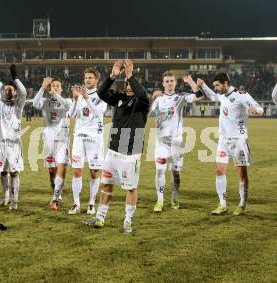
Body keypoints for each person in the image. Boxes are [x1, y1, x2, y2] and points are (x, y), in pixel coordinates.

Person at [84, 59, 150, 234]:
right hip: (113, 150)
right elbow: (101, 92)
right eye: (127, 84)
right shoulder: (119, 98)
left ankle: (127, 221)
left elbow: (142, 94)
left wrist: (130, 75)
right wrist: (113, 75)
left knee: (130, 188)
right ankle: (100, 218)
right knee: (106, 184)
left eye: (131, 84)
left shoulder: (142, 102)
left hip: (130, 151)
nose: (129, 87)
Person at [198, 73, 263, 215]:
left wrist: (256, 111)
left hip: (238, 140)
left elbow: (259, 108)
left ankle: (242, 204)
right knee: (219, 171)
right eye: (214, 86)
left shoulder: (241, 95)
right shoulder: (222, 95)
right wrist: (203, 85)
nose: (215, 88)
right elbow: (213, 96)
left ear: (225, 83)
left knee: (241, 174)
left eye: (217, 85)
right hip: (223, 140)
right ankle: (222, 204)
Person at [150, 72, 204, 212]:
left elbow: (200, 96)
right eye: (166, 81)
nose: (169, 83)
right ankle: (160, 201)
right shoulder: (158, 100)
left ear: (175, 83)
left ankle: (174, 200)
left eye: (171, 81)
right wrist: (151, 98)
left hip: (176, 142)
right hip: (161, 141)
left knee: (175, 173)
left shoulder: (181, 97)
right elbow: (148, 113)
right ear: (163, 84)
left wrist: (191, 82)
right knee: (160, 171)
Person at [68, 68, 107, 215]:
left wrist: (86, 98)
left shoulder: (102, 95)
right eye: (86, 77)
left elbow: (98, 113)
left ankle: (91, 203)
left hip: (95, 138)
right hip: (79, 136)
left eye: (90, 77)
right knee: (77, 170)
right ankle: (76, 203)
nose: (87, 80)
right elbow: (71, 114)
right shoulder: (79, 96)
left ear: (96, 80)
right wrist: (74, 98)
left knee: (94, 171)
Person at [0, 65, 27, 210]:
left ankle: (15, 200)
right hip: (1, 144)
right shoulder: (0, 104)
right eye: (5, 90)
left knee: (14, 172)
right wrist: (1, 81)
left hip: (14, 144)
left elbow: (23, 92)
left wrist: (15, 78)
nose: (7, 91)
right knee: (3, 172)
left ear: (15, 92)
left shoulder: (19, 105)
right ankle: (5, 197)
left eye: (10, 89)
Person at [33, 77, 72, 210]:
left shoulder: (66, 101)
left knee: (61, 167)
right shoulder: (44, 101)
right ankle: (56, 192)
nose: (55, 87)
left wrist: (56, 95)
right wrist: (42, 88)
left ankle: (55, 197)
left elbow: (67, 107)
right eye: (53, 86)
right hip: (48, 139)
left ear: (61, 89)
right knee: (52, 170)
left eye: (58, 86)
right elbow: (34, 104)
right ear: (50, 88)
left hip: (62, 140)